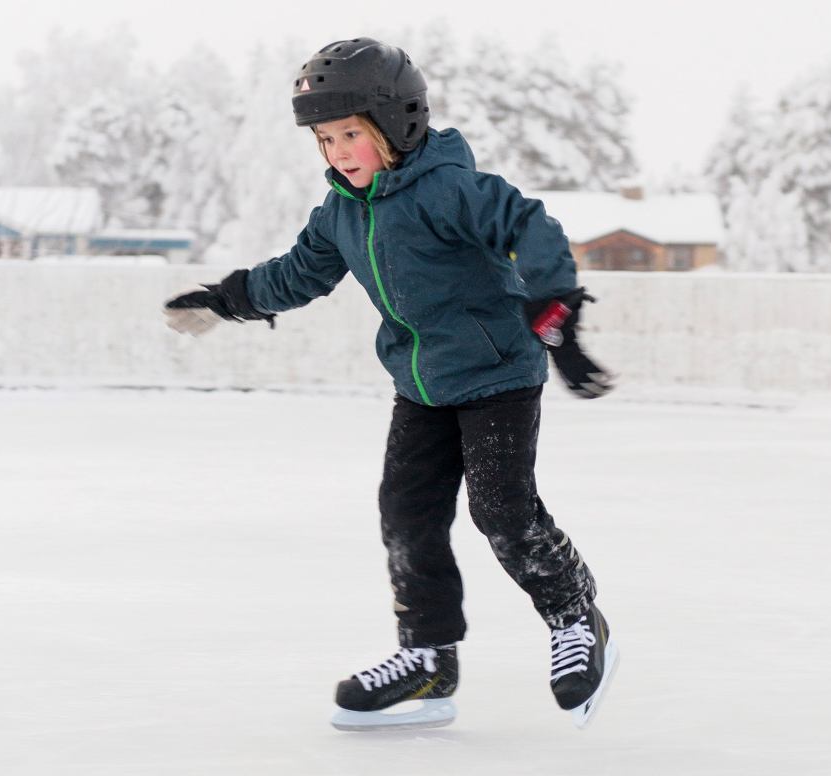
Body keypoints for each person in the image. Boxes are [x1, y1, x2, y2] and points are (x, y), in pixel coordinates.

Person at [163, 37, 618, 731]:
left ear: (397, 124)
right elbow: (298, 273)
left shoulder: (448, 188)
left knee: (502, 511)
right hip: (422, 384)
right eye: (325, 139)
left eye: (351, 134)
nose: (338, 151)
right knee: (406, 517)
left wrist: (555, 312)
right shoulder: (342, 212)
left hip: (497, 373)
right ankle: (429, 661)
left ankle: (574, 615)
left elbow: (528, 223)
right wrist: (229, 299)